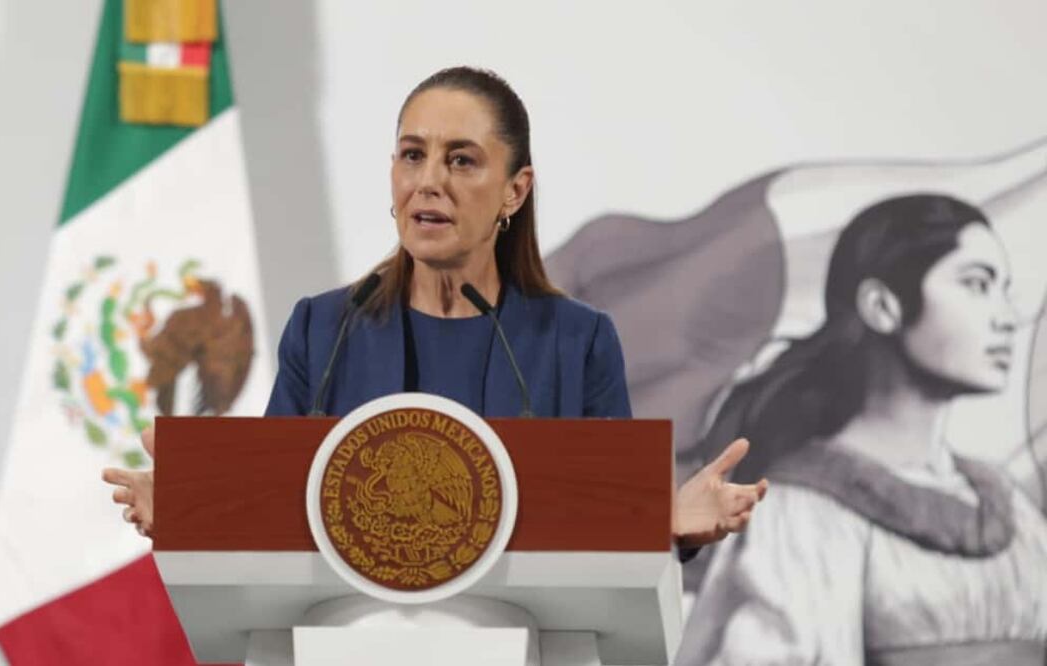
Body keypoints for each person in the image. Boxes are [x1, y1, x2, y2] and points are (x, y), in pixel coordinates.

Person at [102, 66, 766, 558]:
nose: (429, 181)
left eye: (461, 161)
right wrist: (193, 512)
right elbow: (280, 510)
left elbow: (600, 520)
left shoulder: (576, 341)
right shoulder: (324, 331)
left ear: (514, 190)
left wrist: (666, 520)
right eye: (412, 155)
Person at [679, 194, 1047, 665]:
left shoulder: (1010, 507)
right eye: (976, 284)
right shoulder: (804, 512)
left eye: (1004, 289)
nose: (1007, 318)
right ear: (883, 306)